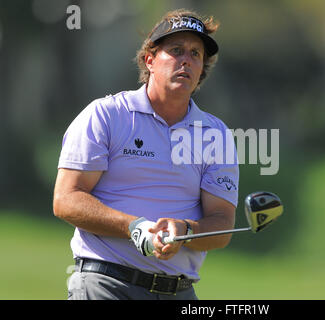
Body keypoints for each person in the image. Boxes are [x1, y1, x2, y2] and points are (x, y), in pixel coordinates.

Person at [53, 9, 239, 300]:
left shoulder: (215, 135)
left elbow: (222, 224)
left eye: (195, 54)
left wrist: (186, 230)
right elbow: (66, 199)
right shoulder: (107, 115)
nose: (186, 60)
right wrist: (134, 227)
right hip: (105, 283)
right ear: (150, 60)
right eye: (176, 50)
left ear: (202, 68)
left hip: (178, 292)